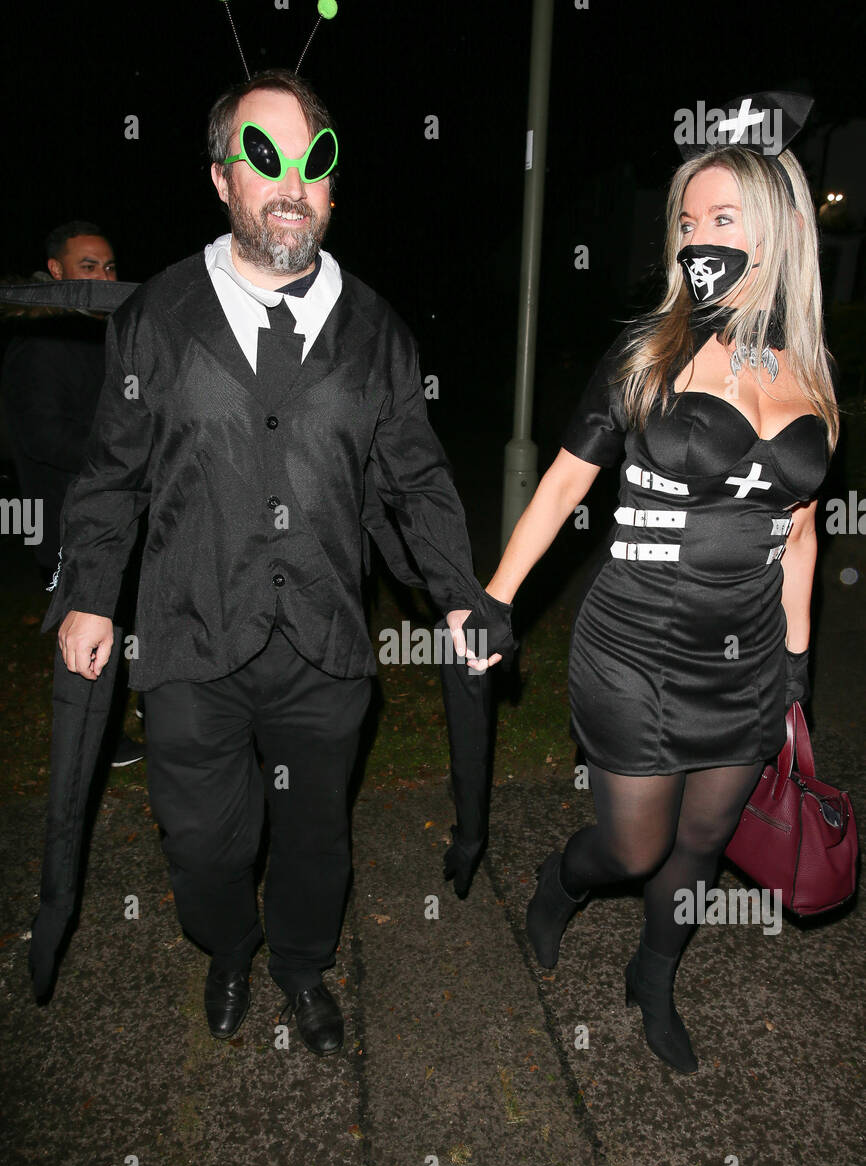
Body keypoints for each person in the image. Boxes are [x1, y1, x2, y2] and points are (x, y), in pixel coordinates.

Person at [43, 69, 511, 1052]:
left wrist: (455, 594)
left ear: (333, 188)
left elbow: (413, 478)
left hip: (323, 651)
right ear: (221, 177)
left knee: (312, 843)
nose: (290, 183)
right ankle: (228, 950)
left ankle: (301, 967)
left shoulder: (375, 329)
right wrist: (90, 594)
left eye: (312, 163)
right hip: (188, 643)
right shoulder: (157, 318)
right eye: (264, 159)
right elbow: (109, 477)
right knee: (206, 850)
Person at [483, 97, 837, 1074]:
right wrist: (497, 596)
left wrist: (795, 670)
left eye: (722, 218)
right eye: (686, 220)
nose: (697, 237)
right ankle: (561, 884)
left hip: (747, 655)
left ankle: (652, 974)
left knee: (703, 842)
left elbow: (798, 533)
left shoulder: (808, 371)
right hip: (633, 644)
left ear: (776, 230)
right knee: (634, 848)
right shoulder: (648, 352)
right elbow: (562, 482)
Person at [2, 221, 143, 767]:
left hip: (120, 511)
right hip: (68, 521)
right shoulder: (41, 339)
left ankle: (150, 706)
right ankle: (95, 744)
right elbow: (39, 435)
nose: (103, 278)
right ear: (56, 272)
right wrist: (120, 454)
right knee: (87, 631)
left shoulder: (108, 330)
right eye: (88, 267)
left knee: (134, 617)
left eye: (109, 267)